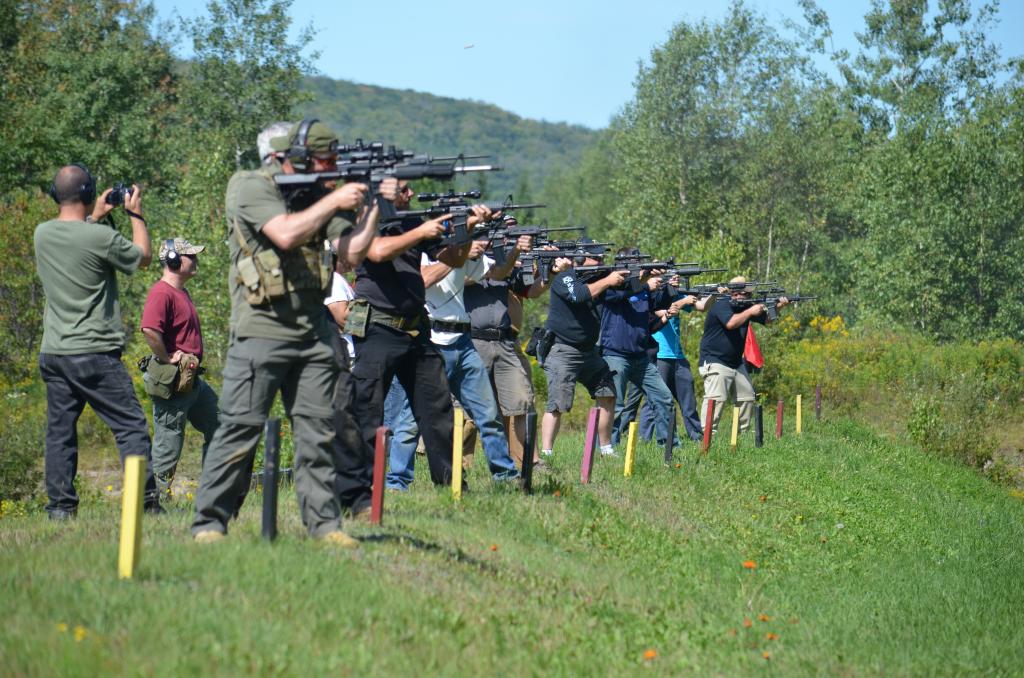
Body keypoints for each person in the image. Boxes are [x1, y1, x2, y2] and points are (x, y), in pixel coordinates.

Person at [191, 119, 394, 546]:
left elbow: (352, 253)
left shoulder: (318, 197)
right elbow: (284, 233)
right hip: (261, 329)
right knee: (239, 429)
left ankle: (324, 526)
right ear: (290, 157)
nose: (329, 167)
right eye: (321, 160)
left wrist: (373, 203)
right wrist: (335, 198)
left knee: (318, 431)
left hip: (313, 333)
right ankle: (210, 523)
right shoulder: (249, 185)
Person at [34, 163, 162, 520]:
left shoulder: (41, 234)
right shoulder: (101, 238)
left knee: (60, 434)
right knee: (131, 428)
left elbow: (76, 239)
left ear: (54, 194)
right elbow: (143, 258)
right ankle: (145, 505)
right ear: (89, 193)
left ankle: (60, 510)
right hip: (95, 353)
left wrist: (94, 216)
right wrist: (135, 215)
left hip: (55, 353)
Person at [337, 180, 474, 512]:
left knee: (438, 409)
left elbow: (454, 259)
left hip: (415, 330)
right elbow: (379, 251)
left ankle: (453, 486)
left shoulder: (413, 222)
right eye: (404, 189)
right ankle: (360, 492)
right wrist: (422, 231)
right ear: (384, 191)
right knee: (368, 412)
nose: (411, 194)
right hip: (378, 328)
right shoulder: (364, 221)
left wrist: (465, 229)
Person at [384, 231, 523, 491]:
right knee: (411, 420)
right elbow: (423, 280)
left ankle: (505, 476)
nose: (482, 242)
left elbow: (497, 273)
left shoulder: (467, 256)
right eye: (476, 235)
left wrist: (515, 250)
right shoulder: (422, 253)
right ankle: (396, 482)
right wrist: (457, 255)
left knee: (488, 414)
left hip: (464, 342)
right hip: (430, 343)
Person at [139, 238, 219, 495]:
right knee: (168, 445)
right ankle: (154, 501)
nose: (195, 261)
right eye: (190, 256)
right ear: (174, 260)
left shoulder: (181, 291)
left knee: (221, 423)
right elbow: (150, 329)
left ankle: (213, 489)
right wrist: (166, 356)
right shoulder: (162, 293)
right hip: (173, 382)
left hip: (190, 380)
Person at [539, 241, 626, 457]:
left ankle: (605, 448)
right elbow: (579, 295)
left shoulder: (598, 281)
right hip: (563, 349)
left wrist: (643, 279)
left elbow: (624, 291)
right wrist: (608, 280)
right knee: (558, 403)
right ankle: (547, 452)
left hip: (588, 351)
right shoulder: (565, 277)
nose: (600, 262)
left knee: (607, 393)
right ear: (580, 260)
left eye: (601, 258)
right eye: (595, 258)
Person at [599, 252, 676, 452]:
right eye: (634, 265)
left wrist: (669, 285)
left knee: (664, 397)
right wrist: (644, 283)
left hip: (640, 356)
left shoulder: (643, 288)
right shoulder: (611, 285)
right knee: (615, 404)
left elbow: (660, 304)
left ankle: (669, 445)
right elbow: (617, 296)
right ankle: (609, 448)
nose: (639, 268)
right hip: (615, 353)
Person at [698, 277, 788, 433]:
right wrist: (750, 311)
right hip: (715, 360)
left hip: (736, 362)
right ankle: (706, 438)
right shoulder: (721, 304)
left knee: (747, 397)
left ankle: (743, 436)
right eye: (746, 293)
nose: (748, 296)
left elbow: (767, 321)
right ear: (736, 293)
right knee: (717, 400)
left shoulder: (745, 306)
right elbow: (731, 323)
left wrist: (779, 307)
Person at [618, 292, 708, 444]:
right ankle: (643, 439)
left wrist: (714, 294)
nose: (676, 279)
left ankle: (697, 437)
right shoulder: (655, 297)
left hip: (677, 356)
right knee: (652, 400)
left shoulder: (678, 296)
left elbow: (702, 306)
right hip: (658, 355)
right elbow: (660, 312)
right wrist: (684, 301)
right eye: (672, 276)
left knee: (688, 401)